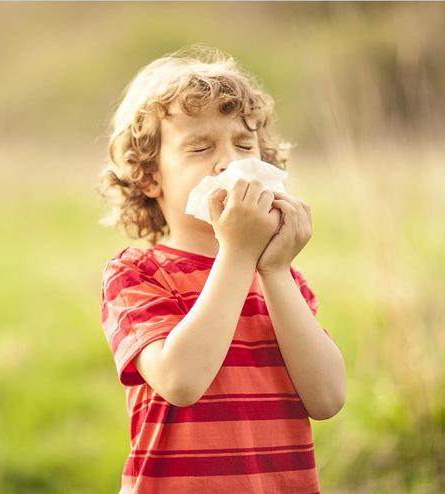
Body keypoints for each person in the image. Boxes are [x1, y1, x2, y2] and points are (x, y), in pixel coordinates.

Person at [97, 44, 346, 493]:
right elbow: (181, 380)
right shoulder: (137, 272)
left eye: (245, 144)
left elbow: (327, 398)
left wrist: (273, 271)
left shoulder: (282, 279)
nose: (231, 162)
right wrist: (237, 253)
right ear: (150, 178)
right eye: (199, 146)